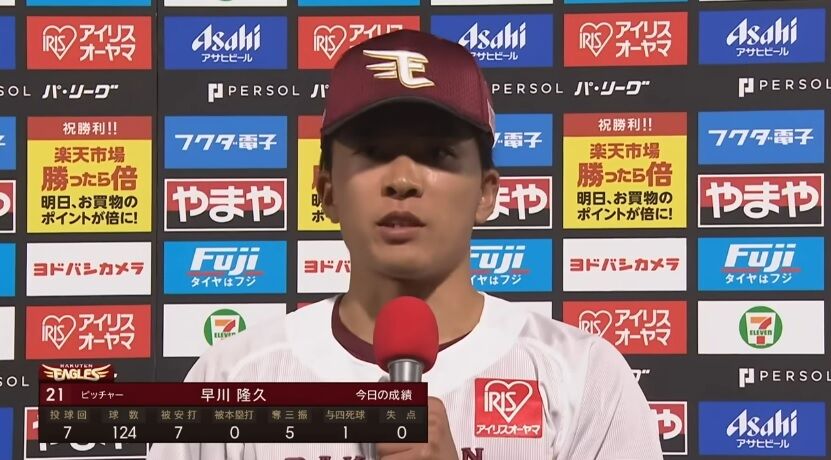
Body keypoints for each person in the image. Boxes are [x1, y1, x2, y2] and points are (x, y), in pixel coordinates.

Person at [147, 29, 663, 460]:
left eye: (437, 154)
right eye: (374, 152)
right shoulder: (232, 378)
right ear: (326, 190)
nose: (402, 180)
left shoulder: (581, 375)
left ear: (486, 193)